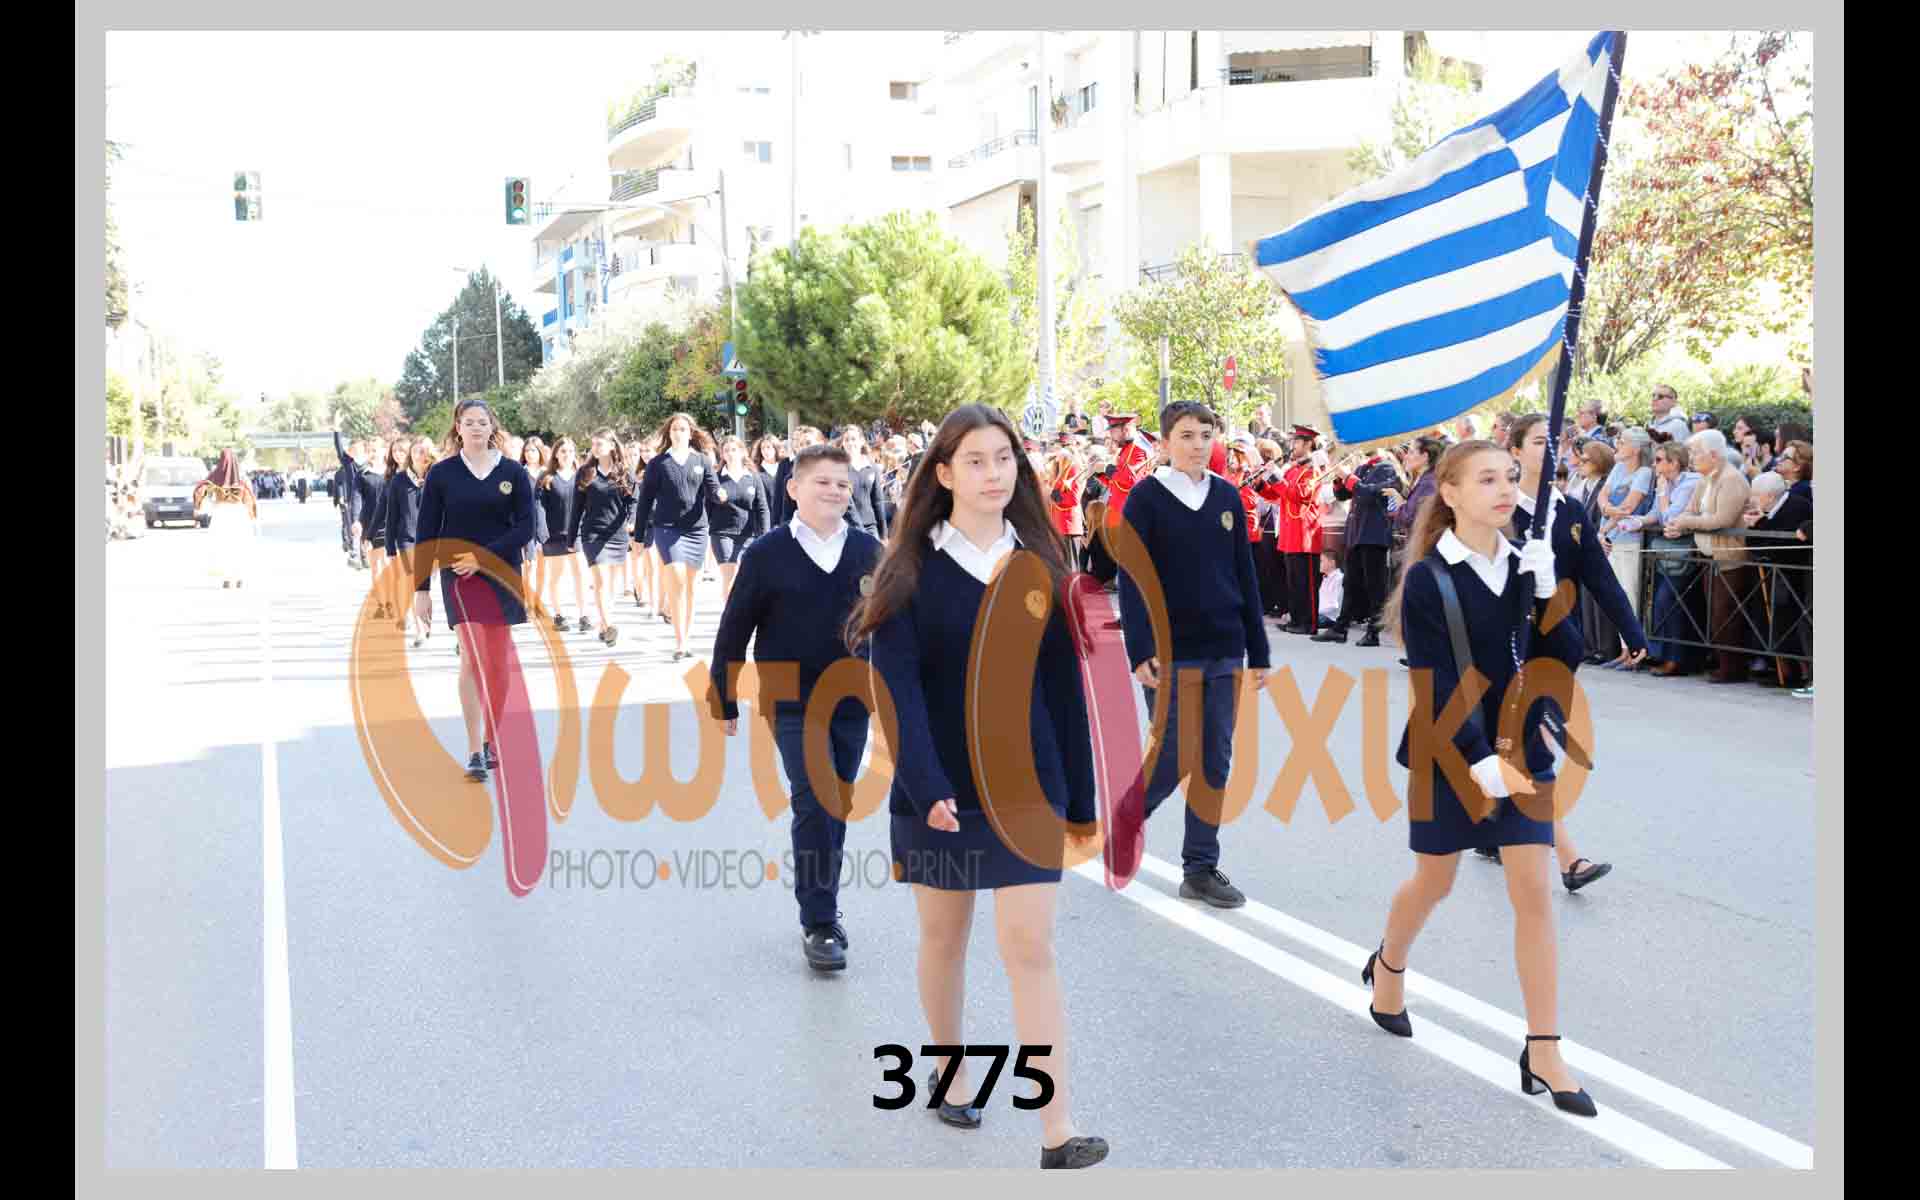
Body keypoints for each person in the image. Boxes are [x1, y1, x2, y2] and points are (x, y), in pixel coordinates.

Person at [851, 403, 1108, 1170]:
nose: (994, 474)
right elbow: (896, 687)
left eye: (1004, 459)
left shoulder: (1042, 565)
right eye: (975, 460)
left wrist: (1083, 799)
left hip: (1030, 784)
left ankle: (1056, 1128)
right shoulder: (910, 571)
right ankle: (949, 1068)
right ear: (943, 473)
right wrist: (925, 782)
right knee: (945, 938)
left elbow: (1065, 689)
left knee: (1030, 946)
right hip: (940, 788)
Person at [1363, 439, 1599, 1118]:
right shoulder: (1429, 581)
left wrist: (1551, 595)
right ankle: (1388, 964)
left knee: (1534, 892)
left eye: (1512, 478)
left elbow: (1565, 658)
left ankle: (1544, 1050)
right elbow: (1434, 682)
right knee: (1434, 881)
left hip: (1523, 750)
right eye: (1488, 479)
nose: (1505, 490)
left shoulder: (1527, 564)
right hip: (1448, 752)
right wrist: (1475, 757)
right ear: (1451, 493)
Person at [710, 442, 882, 972]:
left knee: (838, 802)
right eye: (822, 481)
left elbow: (897, 628)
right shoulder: (766, 554)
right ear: (794, 488)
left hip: (853, 696)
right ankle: (820, 921)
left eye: (842, 483)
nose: (834, 490)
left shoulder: (869, 550)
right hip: (791, 697)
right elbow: (734, 628)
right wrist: (724, 696)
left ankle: (824, 900)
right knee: (816, 796)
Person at [1471, 415, 1646, 894]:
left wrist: (1631, 630)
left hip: (1557, 646)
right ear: (1514, 451)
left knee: (1528, 746)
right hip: (1507, 645)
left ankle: (1497, 821)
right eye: (1538, 441)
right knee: (1537, 746)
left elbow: (1599, 575)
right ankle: (1570, 860)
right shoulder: (1499, 508)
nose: (1550, 450)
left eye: (1557, 442)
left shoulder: (1568, 509)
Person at [1118, 400, 1271, 909]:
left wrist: (1259, 649)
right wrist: (1140, 649)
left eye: (1206, 434)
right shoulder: (1146, 498)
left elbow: (1245, 574)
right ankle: (1128, 817)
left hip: (1225, 647)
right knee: (1176, 752)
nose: (1198, 444)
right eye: (1186, 435)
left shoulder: (1226, 495)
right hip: (1170, 651)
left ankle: (1200, 869)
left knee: (1214, 759)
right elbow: (1131, 578)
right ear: (1165, 443)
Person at [410, 399, 536, 784]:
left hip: (500, 572)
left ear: (491, 427)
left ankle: (491, 739)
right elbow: (426, 532)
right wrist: (421, 589)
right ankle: (473, 750)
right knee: (472, 657)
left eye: (483, 421)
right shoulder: (441, 474)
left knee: (497, 664)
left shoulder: (513, 472)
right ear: (458, 428)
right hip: (459, 577)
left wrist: (482, 557)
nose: (477, 427)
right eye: (469, 422)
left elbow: (526, 528)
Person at [1663, 430, 1753, 685]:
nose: (1691, 458)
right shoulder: (1704, 479)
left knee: (1725, 613)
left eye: (1695, 453)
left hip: (1729, 558)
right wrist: (1679, 524)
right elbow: (1690, 511)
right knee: (1713, 612)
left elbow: (1722, 520)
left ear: (1713, 455)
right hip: (1707, 555)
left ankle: (1732, 668)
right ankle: (1719, 662)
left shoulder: (1731, 479)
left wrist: (1685, 522)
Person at [636, 412, 725, 662]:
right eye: (674, 429)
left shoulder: (702, 460)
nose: (678, 433)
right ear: (669, 433)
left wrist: (720, 495)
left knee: (691, 587)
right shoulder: (658, 463)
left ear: (690, 433)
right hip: (667, 528)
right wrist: (639, 537)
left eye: (683, 429)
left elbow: (712, 488)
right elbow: (645, 501)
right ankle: (680, 643)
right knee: (676, 577)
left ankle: (687, 636)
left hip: (696, 529)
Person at [1628, 441, 1706, 678]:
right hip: (1665, 552)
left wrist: (1662, 493)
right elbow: (1656, 514)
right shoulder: (1665, 482)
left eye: (1659, 460)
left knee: (1668, 600)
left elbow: (1670, 517)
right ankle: (1665, 654)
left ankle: (1675, 659)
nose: (1655, 464)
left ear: (1675, 462)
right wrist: (1638, 521)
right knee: (1662, 602)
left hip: (1684, 552)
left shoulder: (1690, 482)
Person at [1318, 447, 1398, 645]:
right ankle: (1340, 628)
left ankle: (1374, 632)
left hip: (1373, 534)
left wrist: (1348, 476)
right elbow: (1343, 495)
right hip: (1356, 532)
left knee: (1374, 586)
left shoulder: (1386, 467)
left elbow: (1369, 494)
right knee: (1350, 583)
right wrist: (1339, 478)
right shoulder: (1362, 468)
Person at [1742, 471, 1813, 690]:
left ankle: (1799, 673)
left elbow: (1784, 544)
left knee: (1792, 623)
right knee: (1776, 622)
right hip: (1775, 575)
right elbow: (1757, 544)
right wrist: (1755, 525)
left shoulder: (1797, 506)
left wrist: (1761, 524)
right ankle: (1783, 669)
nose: (1753, 499)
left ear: (1770, 496)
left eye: (1756, 495)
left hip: (1795, 576)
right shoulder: (1768, 509)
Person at [566, 431, 638, 646]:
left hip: (617, 534)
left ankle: (604, 626)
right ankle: (609, 624)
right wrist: (571, 538)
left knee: (611, 584)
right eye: (593, 444)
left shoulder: (625, 472)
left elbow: (634, 502)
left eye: (600, 444)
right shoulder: (585, 472)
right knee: (601, 581)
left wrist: (632, 522)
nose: (595, 448)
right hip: (593, 534)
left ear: (612, 446)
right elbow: (576, 508)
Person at [1593, 427, 1654, 669]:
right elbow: (1602, 497)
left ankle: (1635, 651)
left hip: (1628, 540)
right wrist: (1608, 512)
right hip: (1610, 537)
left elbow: (1629, 506)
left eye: (1622, 441)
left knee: (1630, 595)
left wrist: (1605, 528)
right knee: (1617, 595)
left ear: (1636, 448)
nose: (1617, 444)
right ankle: (1623, 650)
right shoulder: (1618, 467)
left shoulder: (1644, 472)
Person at [1269, 425, 1326, 636]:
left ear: (1308, 444)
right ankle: (1295, 619)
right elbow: (1277, 495)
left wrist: (1276, 477)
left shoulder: (1313, 470)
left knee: (1306, 582)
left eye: (1296, 441)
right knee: (1293, 580)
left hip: (1305, 532)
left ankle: (1309, 623)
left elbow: (1299, 495)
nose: (1292, 445)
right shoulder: (1293, 469)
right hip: (1290, 531)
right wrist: (1262, 483)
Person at [385, 435, 439, 647]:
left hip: (431, 540)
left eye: (424, 450)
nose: (419, 454)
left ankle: (425, 624)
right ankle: (419, 631)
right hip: (406, 539)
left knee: (424, 586)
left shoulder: (437, 478)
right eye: (416, 450)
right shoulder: (399, 481)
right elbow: (392, 515)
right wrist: (390, 547)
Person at [707, 434, 772, 605]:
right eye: (726, 450)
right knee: (730, 573)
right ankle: (729, 615)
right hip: (722, 533)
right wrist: (716, 497)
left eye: (734, 450)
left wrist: (765, 535)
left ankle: (741, 612)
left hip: (748, 534)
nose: (730, 454)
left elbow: (762, 508)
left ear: (743, 452)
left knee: (744, 577)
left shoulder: (753, 477)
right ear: (722, 454)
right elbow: (707, 505)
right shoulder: (716, 478)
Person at [534, 438, 586, 633]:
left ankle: (583, 615)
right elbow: (539, 507)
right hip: (554, 535)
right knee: (556, 576)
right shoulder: (546, 478)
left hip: (577, 534)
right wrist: (542, 534)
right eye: (563, 451)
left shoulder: (582, 476)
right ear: (556, 453)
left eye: (570, 451)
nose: (567, 455)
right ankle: (558, 614)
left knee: (580, 574)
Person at [194, 449, 258, 589]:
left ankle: (227, 578)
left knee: (223, 546)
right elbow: (249, 498)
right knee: (239, 546)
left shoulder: (215, 477)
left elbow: (200, 490)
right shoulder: (241, 478)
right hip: (239, 515)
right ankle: (239, 576)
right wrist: (252, 515)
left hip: (221, 513)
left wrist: (198, 506)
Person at [838, 425, 889, 539]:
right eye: (846, 440)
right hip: (847, 527)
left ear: (861, 441)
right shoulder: (838, 467)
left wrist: (883, 533)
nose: (850, 443)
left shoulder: (871, 467)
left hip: (870, 526)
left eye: (853, 439)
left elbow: (878, 501)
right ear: (843, 443)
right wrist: (858, 529)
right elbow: (845, 503)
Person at [771, 426, 824, 527]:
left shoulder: (836, 471)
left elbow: (847, 510)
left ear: (821, 444)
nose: (804, 448)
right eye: (801, 445)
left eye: (808, 443)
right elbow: (786, 513)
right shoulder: (792, 477)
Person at [1316, 546, 1345, 629]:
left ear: (1332, 563)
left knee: (1305, 620)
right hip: (1322, 614)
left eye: (1321, 561)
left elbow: (1335, 605)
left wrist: (1314, 612)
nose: (1318, 564)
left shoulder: (1339, 578)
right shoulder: (1325, 578)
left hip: (1330, 617)